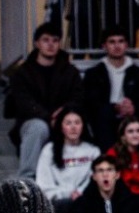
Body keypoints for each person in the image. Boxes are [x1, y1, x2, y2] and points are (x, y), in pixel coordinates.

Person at [6, 21, 84, 180]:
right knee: (39, 127)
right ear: (37, 43)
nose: (51, 44)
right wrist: (49, 118)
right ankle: (28, 178)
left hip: (63, 120)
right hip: (32, 121)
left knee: (75, 124)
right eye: (46, 40)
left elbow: (78, 97)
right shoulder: (23, 72)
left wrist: (62, 115)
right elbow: (23, 103)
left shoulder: (70, 72)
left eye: (55, 40)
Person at [82, 29, 139, 150]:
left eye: (121, 41)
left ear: (126, 45)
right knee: (103, 114)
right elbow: (91, 102)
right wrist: (115, 107)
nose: (117, 46)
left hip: (133, 115)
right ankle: (108, 157)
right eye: (112, 42)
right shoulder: (94, 74)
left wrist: (133, 107)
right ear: (104, 46)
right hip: (106, 116)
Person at [35, 108, 101, 205]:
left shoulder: (93, 151)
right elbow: (43, 184)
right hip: (57, 203)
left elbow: (94, 179)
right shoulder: (49, 150)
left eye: (77, 123)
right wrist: (67, 194)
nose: (73, 127)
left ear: (83, 126)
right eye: (68, 123)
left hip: (85, 200)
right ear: (61, 127)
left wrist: (81, 192)